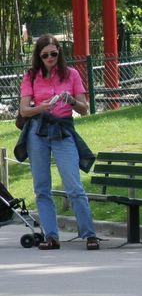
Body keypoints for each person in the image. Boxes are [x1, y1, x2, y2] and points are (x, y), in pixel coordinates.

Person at [16, 35, 99, 250]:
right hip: (38, 130)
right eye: (45, 55)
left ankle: (89, 234)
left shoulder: (71, 74)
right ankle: (51, 236)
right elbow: (24, 110)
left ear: (59, 52)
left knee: (74, 185)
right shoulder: (31, 76)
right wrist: (41, 107)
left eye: (53, 53)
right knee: (42, 187)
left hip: (62, 129)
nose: (50, 58)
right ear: (39, 56)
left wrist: (71, 100)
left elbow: (84, 108)